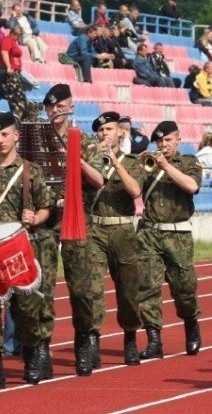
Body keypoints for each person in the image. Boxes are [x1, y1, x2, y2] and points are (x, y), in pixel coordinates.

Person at [0, 112, 52, 389]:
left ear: (16, 135)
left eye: (5, 134)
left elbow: (46, 206)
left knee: (26, 309)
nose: (0, 140)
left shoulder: (31, 170)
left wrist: (37, 218)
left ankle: (33, 358)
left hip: (20, 250)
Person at [42, 83, 104, 376]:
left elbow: (99, 180)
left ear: (70, 106)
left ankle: (84, 340)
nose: (54, 111)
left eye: (59, 106)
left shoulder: (84, 140)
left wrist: (74, 156)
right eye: (50, 106)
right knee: (41, 287)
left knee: (81, 287)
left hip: (76, 217)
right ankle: (41, 348)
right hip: (45, 219)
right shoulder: (36, 141)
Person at [137, 121, 202, 360]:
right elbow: (134, 189)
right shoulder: (148, 164)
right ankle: (154, 339)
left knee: (184, 288)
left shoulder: (189, 162)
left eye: (167, 141)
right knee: (147, 288)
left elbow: (192, 186)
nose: (163, 145)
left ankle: (191, 323)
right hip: (150, 233)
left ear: (178, 140)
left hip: (178, 234)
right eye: (159, 141)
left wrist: (165, 166)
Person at [90, 111, 145, 366]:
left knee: (127, 290)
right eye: (100, 131)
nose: (104, 134)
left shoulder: (133, 161)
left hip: (122, 229)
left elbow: (135, 191)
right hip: (96, 230)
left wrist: (116, 163)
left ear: (120, 132)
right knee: (91, 288)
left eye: (109, 130)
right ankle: (92, 341)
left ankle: (130, 337)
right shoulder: (90, 159)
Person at [0, 25, 29, 118]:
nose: (19, 38)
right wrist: (8, 67)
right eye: (18, 36)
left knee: (20, 97)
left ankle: (22, 116)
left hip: (16, 72)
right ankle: (18, 116)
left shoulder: (14, 42)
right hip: (10, 73)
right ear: (13, 33)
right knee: (16, 97)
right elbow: (4, 53)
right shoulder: (7, 40)